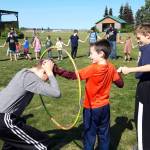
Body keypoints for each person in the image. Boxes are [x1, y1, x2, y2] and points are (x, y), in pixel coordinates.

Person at [53, 39, 124, 150]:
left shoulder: (93, 68)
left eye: (91, 54)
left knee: (90, 135)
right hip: (105, 107)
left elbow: (73, 75)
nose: (90, 56)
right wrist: (118, 74)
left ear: (101, 54)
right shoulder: (111, 67)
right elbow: (120, 84)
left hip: (91, 108)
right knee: (104, 134)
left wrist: (56, 70)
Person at [0, 59, 61, 150]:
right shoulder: (31, 78)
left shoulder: (24, 72)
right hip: (4, 119)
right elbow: (56, 93)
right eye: (47, 78)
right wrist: (49, 71)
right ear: (44, 71)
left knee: (12, 146)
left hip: (6, 117)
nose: (46, 81)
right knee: (43, 143)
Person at [118, 24, 150, 150]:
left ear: (147, 35)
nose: (137, 40)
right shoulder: (145, 48)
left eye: (138, 38)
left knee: (141, 121)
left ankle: (142, 146)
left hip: (146, 88)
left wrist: (129, 69)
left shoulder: (148, 48)